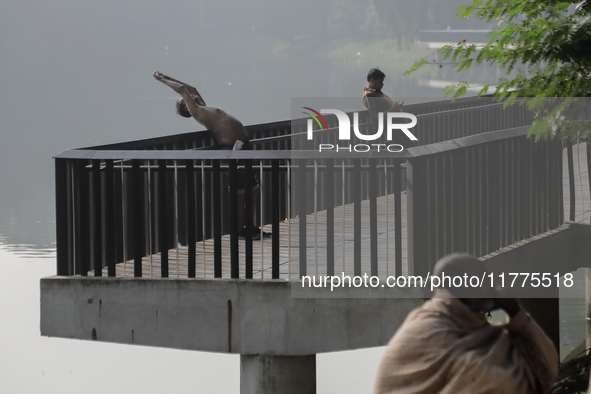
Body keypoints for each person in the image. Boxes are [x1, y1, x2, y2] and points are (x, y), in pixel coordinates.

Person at [374, 253, 558, 394]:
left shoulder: (477, 325)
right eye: (479, 280)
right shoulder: (428, 325)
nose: (489, 286)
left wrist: (515, 314)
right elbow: (485, 377)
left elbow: (549, 369)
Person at [153, 71, 269, 239]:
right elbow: (183, 89)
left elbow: (191, 88)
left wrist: (169, 76)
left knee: (254, 189)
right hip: (233, 150)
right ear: (187, 104)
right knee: (239, 192)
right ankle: (239, 230)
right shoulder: (198, 112)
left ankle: (250, 227)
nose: (192, 95)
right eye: (188, 98)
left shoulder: (203, 107)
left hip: (244, 146)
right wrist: (162, 79)